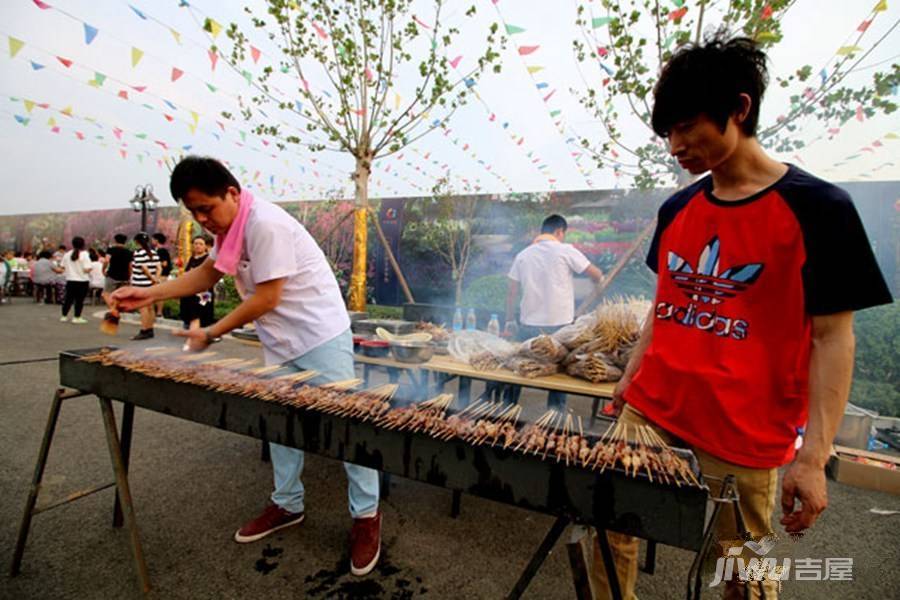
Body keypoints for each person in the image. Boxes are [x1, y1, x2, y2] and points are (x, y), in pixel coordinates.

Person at [590, 35, 893, 600]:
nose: (675, 146)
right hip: (654, 406)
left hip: (746, 430)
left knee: (745, 573)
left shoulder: (820, 209)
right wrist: (632, 374)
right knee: (611, 528)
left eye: (686, 127)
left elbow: (833, 338)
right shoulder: (678, 207)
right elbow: (665, 303)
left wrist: (814, 456)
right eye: (668, 134)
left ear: (739, 108)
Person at [110, 156, 382, 576]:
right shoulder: (232, 231)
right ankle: (287, 503)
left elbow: (267, 297)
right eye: (194, 212)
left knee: (345, 425)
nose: (203, 220)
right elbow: (206, 276)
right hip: (280, 339)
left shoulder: (265, 224)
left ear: (232, 193)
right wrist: (147, 295)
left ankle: (366, 516)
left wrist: (212, 331)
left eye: (207, 208)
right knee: (280, 424)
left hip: (319, 335)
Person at [504, 214, 604, 408]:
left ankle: (506, 411)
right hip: (560, 327)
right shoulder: (565, 250)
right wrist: (598, 283)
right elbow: (596, 274)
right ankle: (555, 418)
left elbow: (511, 292)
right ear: (559, 231)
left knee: (520, 368)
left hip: (529, 325)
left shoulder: (523, 255)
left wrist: (509, 320)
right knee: (558, 375)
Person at [179, 235, 216, 328]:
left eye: (200, 244)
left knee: (201, 314)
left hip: (204, 291)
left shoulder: (208, 259)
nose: (198, 246)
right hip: (190, 291)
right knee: (190, 314)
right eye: (195, 243)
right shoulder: (192, 258)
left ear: (205, 246)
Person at [130, 232, 161, 340]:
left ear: (137, 242)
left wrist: (152, 278)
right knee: (150, 307)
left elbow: (144, 268)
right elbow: (159, 267)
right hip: (151, 285)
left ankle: (144, 330)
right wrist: (155, 280)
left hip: (140, 283)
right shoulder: (153, 252)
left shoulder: (138, 253)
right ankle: (150, 329)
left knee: (143, 308)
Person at [60, 237, 93, 323]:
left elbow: (62, 267)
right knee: (79, 300)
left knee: (68, 299)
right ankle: (77, 317)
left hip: (70, 280)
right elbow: (87, 269)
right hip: (82, 281)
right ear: (83, 244)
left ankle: (64, 316)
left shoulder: (67, 254)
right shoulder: (85, 254)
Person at [151, 232, 173, 317]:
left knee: (159, 294)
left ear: (157, 240)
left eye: (153, 239)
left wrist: (155, 263)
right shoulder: (157, 250)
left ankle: (159, 312)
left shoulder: (162, 251)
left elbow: (164, 264)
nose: (152, 241)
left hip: (162, 275)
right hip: (158, 274)